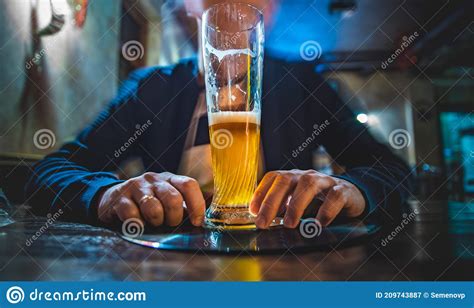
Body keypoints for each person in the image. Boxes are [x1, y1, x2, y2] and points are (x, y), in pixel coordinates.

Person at [25, 0, 413, 230]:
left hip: (284, 258)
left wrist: (355, 190)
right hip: (170, 265)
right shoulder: (152, 88)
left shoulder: (303, 85)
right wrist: (106, 194)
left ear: (271, 10)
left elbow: (393, 171)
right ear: (189, 9)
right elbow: (52, 170)